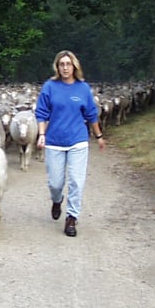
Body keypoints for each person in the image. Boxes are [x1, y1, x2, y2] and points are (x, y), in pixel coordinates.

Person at [35, 50, 106, 237]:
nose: (65, 67)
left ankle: (72, 218)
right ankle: (57, 200)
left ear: (75, 66)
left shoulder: (83, 88)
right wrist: (42, 134)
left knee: (76, 181)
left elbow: (91, 114)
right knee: (55, 182)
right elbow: (41, 112)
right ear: (57, 67)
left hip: (78, 141)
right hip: (55, 141)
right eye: (61, 64)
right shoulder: (50, 87)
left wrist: (98, 136)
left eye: (68, 64)